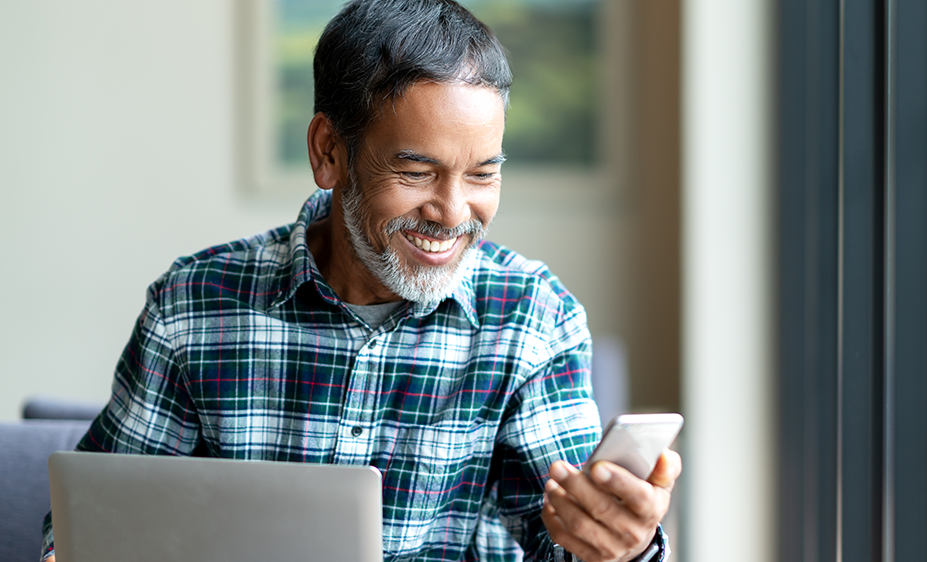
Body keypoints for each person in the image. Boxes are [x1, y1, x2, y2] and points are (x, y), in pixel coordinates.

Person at [39, 1, 681, 561]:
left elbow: (562, 543)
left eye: (483, 174)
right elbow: (94, 527)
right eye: (416, 172)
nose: (454, 214)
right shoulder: (193, 307)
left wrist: (618, 543)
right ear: (328, 152)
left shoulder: (533, 317)